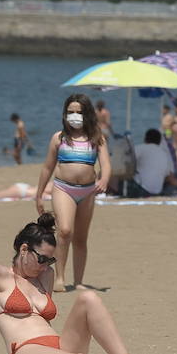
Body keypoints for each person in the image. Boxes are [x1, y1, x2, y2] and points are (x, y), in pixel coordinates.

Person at [0, 214, 150, 354]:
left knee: (88, 298)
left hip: (57, 346)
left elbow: (44, 321)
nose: (45, 266)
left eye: (50, 261)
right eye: (42, 259)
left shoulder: (46, 275)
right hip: (26, 351)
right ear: (24, 250)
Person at [32, 94, 110, 291]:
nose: (74, 116)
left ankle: (78, 281)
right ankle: (59, 278)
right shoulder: (59, 138)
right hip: (63, 188)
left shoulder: (97, 138)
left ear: (87, 114)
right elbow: (47, 168)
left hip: (87, 191)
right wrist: (39, 194)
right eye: (71, 112)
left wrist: (104, 180)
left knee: (81, 238)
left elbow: (106, 165)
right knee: (65, 231)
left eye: (79, 112)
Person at [130, 129, 177, 197]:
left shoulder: (141, 148)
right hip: (156, 191)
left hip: (140, 189)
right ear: (159, 141)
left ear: (145, 139)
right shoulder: (164, 154)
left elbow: (127, 159)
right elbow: (169, 176)